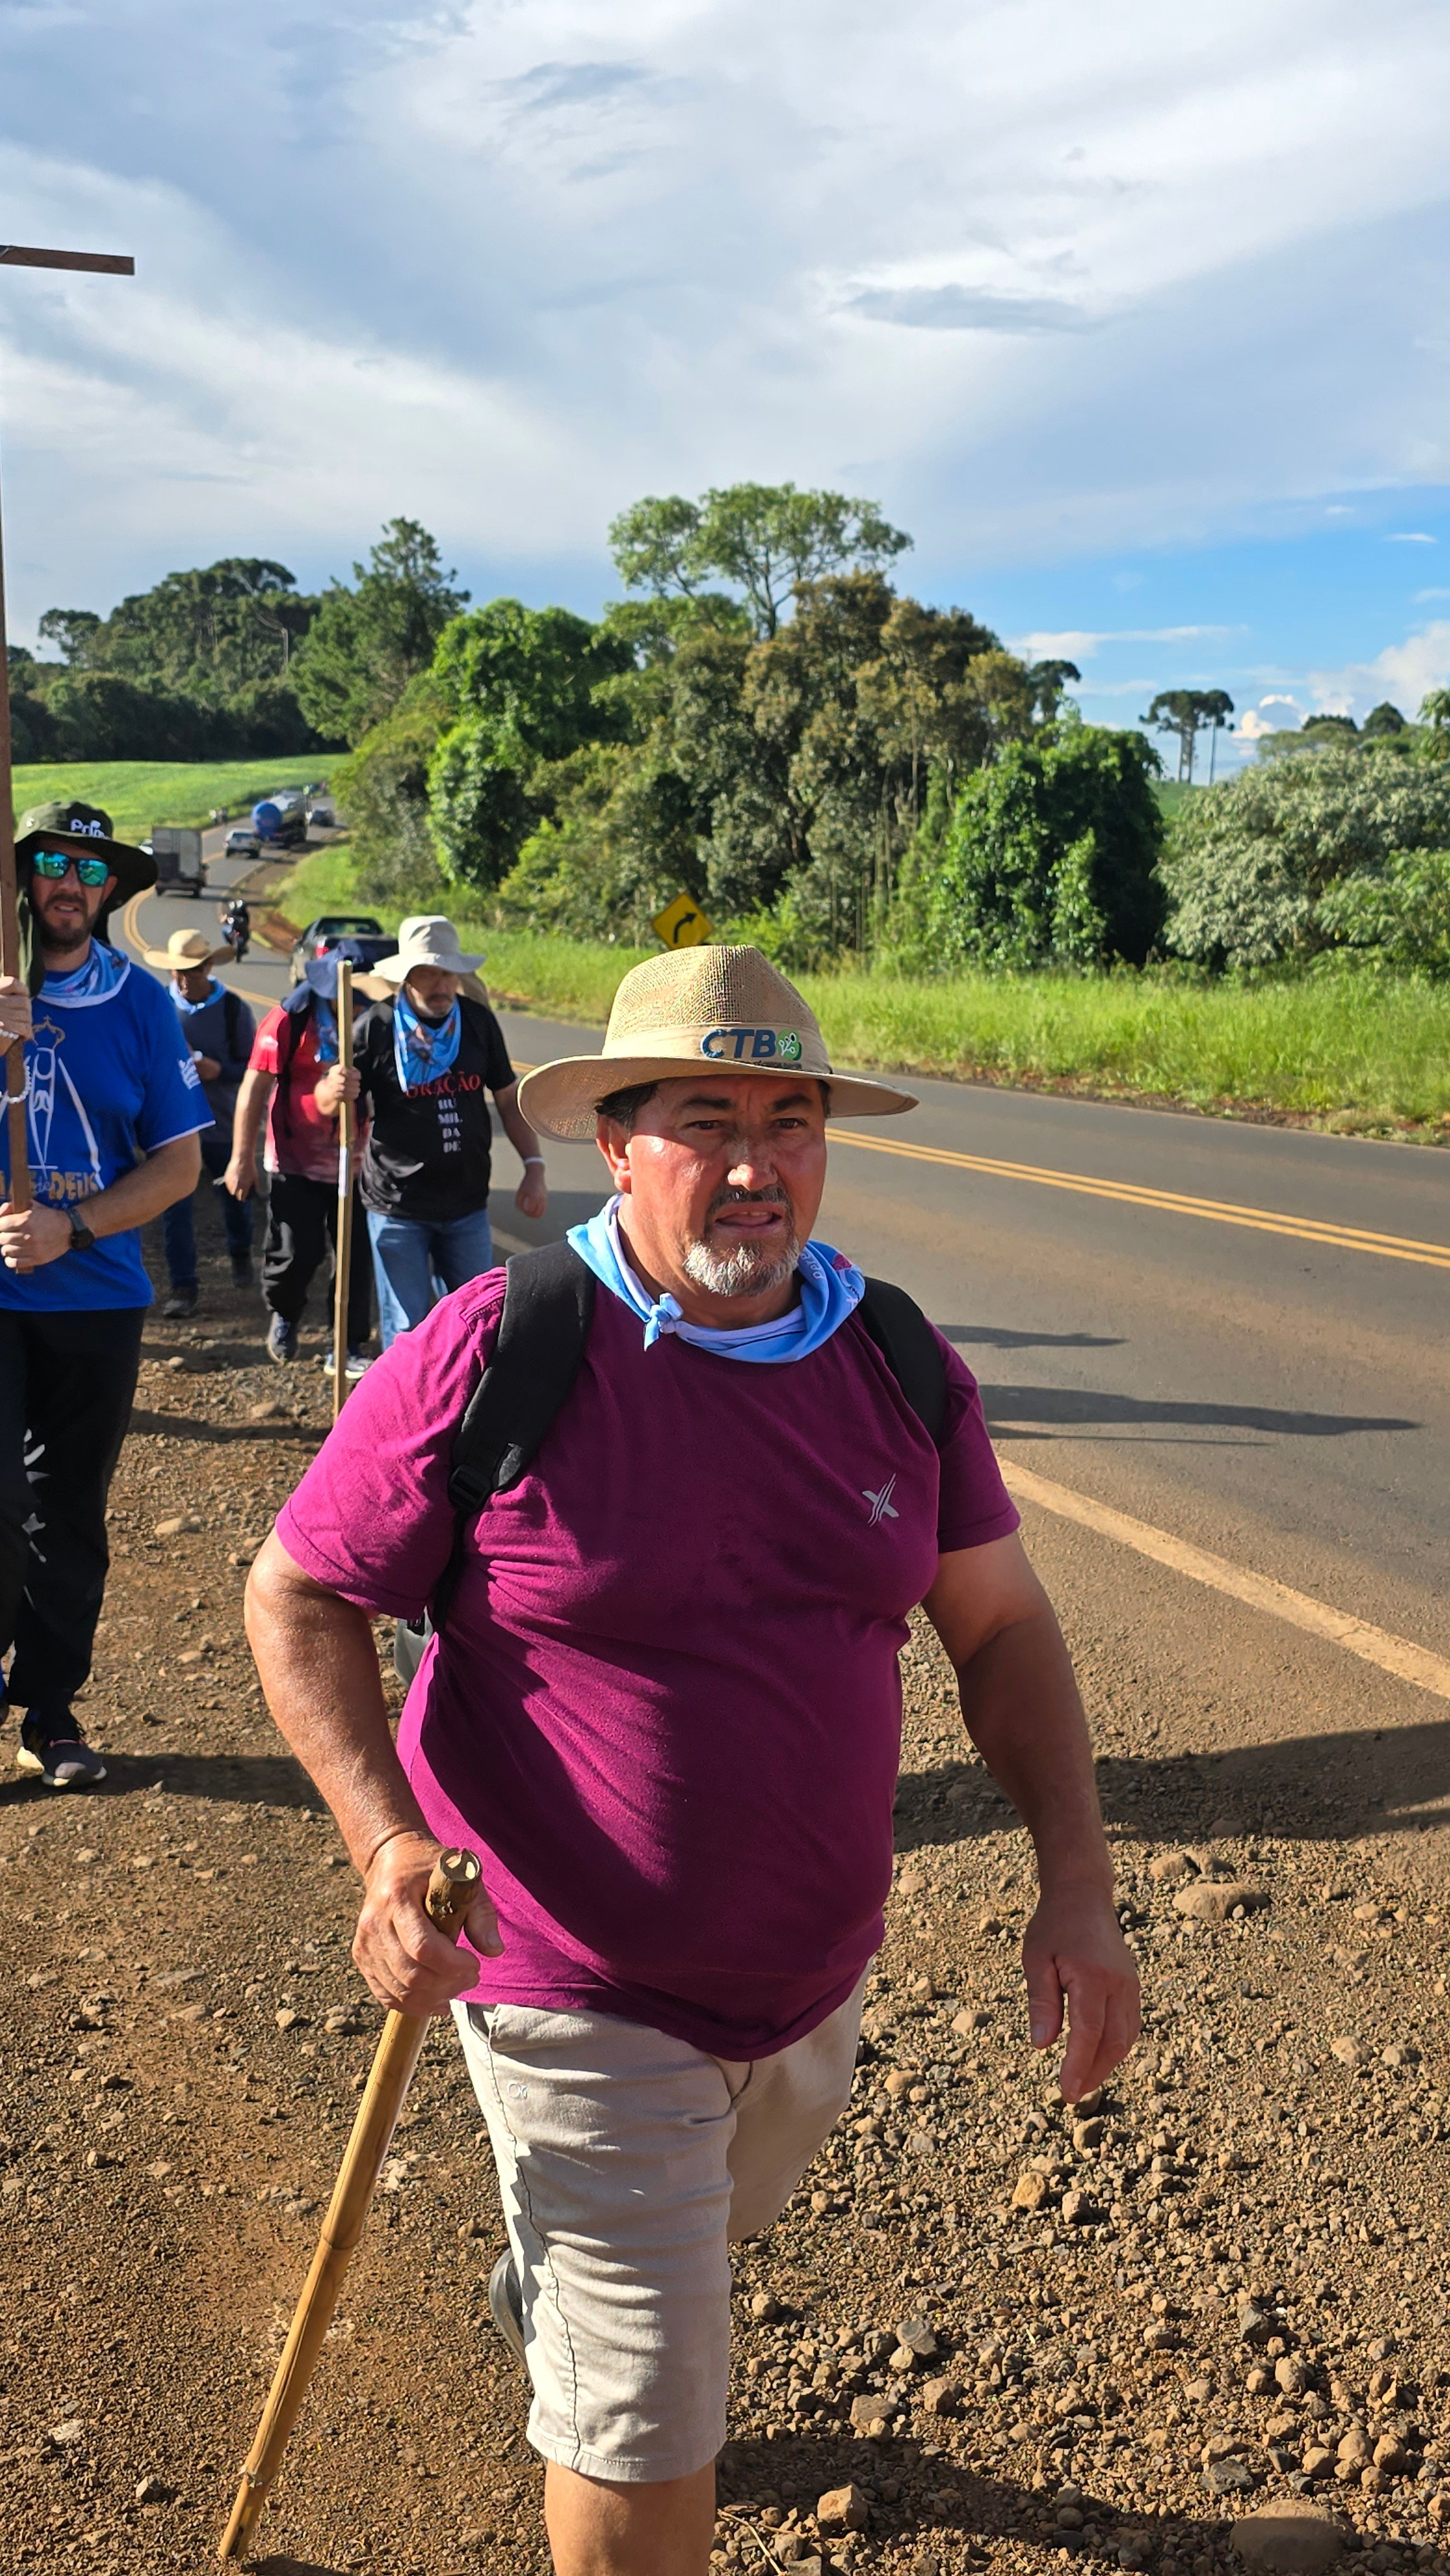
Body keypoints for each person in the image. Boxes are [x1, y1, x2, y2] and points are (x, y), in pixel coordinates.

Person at [245, 946, 1139, 2576]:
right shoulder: (496, 1348)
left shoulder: (888, 1356)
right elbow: (301, 1587)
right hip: (566, 1979)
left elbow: (998, 1629)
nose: (754, 1165)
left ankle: (567, 2296)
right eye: (706, 1120)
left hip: (808, 1987)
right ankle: (602, 2348)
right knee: (653, 2430)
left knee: (680, 2262)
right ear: (616, 1140)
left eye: (790, 1121)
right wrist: (384, 1846)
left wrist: (1073, 1882)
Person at [0, 800, 207, 1790]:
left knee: (68, 1511)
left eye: (88, 869)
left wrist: (70, 1226)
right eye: (50, 863)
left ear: (109, 888)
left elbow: (178, 1166)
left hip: (96, 1298)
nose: (68, 885)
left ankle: (48, 1707)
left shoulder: (140, 1003)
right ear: (25, 879)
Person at [349, 915, 547, 1347]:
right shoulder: (375, 1029)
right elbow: (338, 1104)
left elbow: (508, 1100)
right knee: (409, 1330)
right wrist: (332, 1088)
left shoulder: (478, 1023)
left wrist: (534, 1165)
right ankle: (409, 1413)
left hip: (466, 1203)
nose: (440, 985)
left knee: (478, 1323)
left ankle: (466, 1411)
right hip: (397, 1205)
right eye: (427, 974)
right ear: (406, 977)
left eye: (447, 973)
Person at [225, 942, 374, 1368]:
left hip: (361, 1166)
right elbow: (254, 1088)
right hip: (296, 1160)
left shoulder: (378, 1020)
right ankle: (286, 1313)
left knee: (354, 1258)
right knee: (296, 1251)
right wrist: (241, 1157)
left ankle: (346, 1345)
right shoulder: (289, 1020)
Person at [144, 926, 257, 1316]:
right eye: (177, 971)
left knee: (235, 1200)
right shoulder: (157, 1005)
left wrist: (218, 1069)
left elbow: (252, 1070)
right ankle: (183, 1288)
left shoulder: (233, 1010)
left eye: (191, 970)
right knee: (175, 1208)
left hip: (223, 1124)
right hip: (174, 1125)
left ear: (209, 966)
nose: (183, 978)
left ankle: (241, 1254)